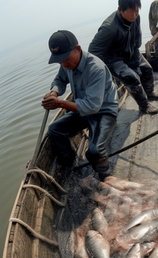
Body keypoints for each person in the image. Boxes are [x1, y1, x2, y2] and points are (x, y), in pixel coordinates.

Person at [42, 30, 119, 177]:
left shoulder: (96, 68)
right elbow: (59, 80)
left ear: (77, 49)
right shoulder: (66, 64)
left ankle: (107, 179)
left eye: (65, 58)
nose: (64, 63)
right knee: (55, 130)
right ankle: (70, 166)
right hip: (83, 109)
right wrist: (54, 92)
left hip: (103, 111)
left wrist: (61, 104)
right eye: (60, 61)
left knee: (95, 150)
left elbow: (92, 106)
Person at [89, 0, 158, 115]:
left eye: (137, 11)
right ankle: (144, 106)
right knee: (132, 79)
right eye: (131, 12)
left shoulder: (136, 18)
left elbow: (137, 39)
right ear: (120, 10)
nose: (134, 15)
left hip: (130, 52)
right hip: (112, 58)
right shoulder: (108, 28)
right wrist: (103, 71)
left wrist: (135, 60)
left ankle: (149, 93)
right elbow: (93, 51)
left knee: (147, 69)